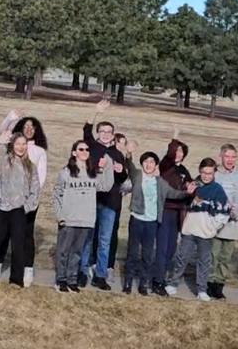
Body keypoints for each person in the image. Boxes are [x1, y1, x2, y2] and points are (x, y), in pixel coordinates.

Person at [120, 149, 193, 295]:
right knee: (132, 253)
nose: (148, 165)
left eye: (151, 162)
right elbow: (129, 165)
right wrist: (128, 154)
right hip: (137, 220)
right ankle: (127, 282)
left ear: (156, 165)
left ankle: (143, 283)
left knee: (147, 255)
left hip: (152, 222)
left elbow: (173, 193)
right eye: (145, 162)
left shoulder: (160, 182)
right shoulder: (138, 175)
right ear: (142, 164)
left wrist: (187, 193)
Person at [52, 141, 115, 293]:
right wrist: (60, 215)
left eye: (87, 149)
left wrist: (108, 165)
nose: (85, 151)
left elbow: (106, 186)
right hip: (68, 219)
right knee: (64, 251)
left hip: (86, 219)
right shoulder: (66, 172)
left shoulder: (93, 173)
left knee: (77, 253)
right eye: (81, 149)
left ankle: (72, 280)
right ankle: (61, 280)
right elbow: (57, 194)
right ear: (74, 152)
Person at [165, 158, 231, 301]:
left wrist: (213, 227)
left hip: (206, 233)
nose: (206, 176)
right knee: (182, 257)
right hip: (189, 229)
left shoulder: (217, 190)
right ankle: (173, 283)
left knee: (204, 261)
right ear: (199, 171)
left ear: (214, 173)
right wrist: (188, 193)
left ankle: (202, 289)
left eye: (210, 173)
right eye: (204, 173)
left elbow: (224, 212)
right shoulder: (193, 186)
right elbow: (184, 202)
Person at [80, 99, 128, 290]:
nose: (106, 135)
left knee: (105, 240)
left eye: (109, 132)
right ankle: (82, 272)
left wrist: (119, 170)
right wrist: (96, 111)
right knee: (87, 238)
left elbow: (123, 177)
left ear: (113, 135)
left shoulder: (118, 153)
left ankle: (100, 275)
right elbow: (86, 129)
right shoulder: (91, 146)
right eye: (103, 131)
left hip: (110, 203)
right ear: (98, 133)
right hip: (91, 200)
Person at [0, 109, 49, 286]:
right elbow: (2, 134)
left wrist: (27, 205)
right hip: (4, 206)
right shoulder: (6, 158)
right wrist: (11, 117)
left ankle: (19, 276)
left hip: (23, 206)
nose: (29, 129)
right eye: (25, 126)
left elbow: (37, 183)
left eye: (32, 127)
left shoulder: (35, 157)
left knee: (22, 241)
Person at [0, 132, 39, 287]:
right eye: (18, 144)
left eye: (23, 144)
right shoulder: (4, 161)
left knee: (18, 245)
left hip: (19, 210)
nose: (21, 147)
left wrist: (27, 207)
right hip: (2, 208)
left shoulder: (30, 167)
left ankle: (16, 279)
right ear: (12, 145)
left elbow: (35, 190)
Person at [153, 125, 191, 294]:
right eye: (177, 150)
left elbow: (189, 191)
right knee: (162, 247)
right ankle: (157, 281)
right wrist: (175, 136)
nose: (178, 153)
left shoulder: (184, 171)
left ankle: (159, 276)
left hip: (178, 213)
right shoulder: (166, 166)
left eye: (182, 151)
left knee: (171, 249)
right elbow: (169, 154)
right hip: (165, 210)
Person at [208, 143, 238, 300]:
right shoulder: (214, 174)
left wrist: (236, 213)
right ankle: (208, 283)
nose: (230, 160)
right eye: (227, 156)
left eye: (233, 157)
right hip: (214, 222)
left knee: (225, 257)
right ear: (221, 156)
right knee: (213, 254)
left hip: (232, 223)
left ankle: (219, 284)